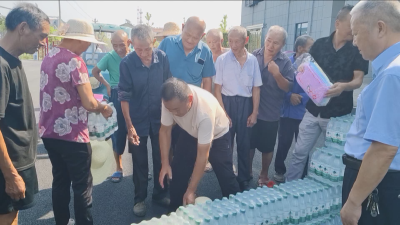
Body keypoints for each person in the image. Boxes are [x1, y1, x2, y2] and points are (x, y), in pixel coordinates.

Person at [39, 19, 113, 225]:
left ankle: (61, 222)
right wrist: (105, 107)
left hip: (49, 131)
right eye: (88, 42)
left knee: (60, 181)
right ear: (79, 40)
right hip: (73, 135)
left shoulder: (49, 56)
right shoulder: (75, 61)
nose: (89, 45)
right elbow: (90, 103)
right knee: (82, 187)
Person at [286, 5, 369, 182]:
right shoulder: (319, 44)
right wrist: (302, 68)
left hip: (337, 115)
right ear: (338, 23)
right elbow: (308, 67)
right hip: (312, 109)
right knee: (299, 152)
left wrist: (342, 87)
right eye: (351, 25)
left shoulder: (357, 49)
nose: (353, 31)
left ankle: (326, 194)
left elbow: (358, 80)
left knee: (333, 160)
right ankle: (289, 187)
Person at [340, 1, 400, 225]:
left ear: (380, 28)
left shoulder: (393, 73)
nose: (354, 42)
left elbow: (384, 147)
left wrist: (354, 202)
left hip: (378, 183)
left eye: (356, 33)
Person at [159, 78, 240, 212]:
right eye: (169, 109)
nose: (172, 113)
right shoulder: (169, 101)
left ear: (189, 99)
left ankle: (238, 212)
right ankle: (175, 212)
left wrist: (191, 190)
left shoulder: (204, 112)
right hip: (190, 131)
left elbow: (202, 156)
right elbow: (165, 131)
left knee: (227, 178)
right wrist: (165, 163)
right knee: (177, 173)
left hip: (218, 134)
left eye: (176, 109)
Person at [0, 3, 49, 225]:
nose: (43, 42)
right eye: (42, 35)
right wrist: (10, 175)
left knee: (13, 215)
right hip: (8, 167)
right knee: (7, 218)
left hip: (17, 164)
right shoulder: (1, 66)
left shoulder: (13, 62)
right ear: (23, 28)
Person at [118, 24, 171, 217]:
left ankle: (161, 193)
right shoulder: (127, 63)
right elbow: (123, 97)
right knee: (140, 162)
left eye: (147, 48)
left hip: (160, 119)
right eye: (137, 49)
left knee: (162, 157)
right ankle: (139, 198)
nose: (142, 53)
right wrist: (129, 126)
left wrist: (171, 116)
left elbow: (168, 87)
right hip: (137, 119)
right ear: (131, 44)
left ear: (153, 42)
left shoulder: (162, 58)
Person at [158, 16, 215, 166]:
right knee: (167, 140)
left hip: (190, 108)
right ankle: (167, 173)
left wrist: (206, 106)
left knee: (187, 146)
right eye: (187, 35)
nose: (190, 40)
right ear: (183, 27)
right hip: (168, 104)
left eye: (195, 38)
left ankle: (185, 178)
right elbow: (156, 71)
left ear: (202, 36)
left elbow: (207, 80)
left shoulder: (205, 52)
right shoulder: (167, 43)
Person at [214, 26, 262, 191]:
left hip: (246, 104)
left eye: (237, 41)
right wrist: (223, 113)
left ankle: (244, 179)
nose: (233, 45)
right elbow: (217, 89)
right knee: (226, 144)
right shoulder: (222, 60)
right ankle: (228, 179)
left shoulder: (253, 60)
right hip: (226, 102)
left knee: (244, 143)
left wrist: (254, 112)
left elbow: (256, 88)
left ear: (246, 40)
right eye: (231, 41)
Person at [249, 26, 295, 187]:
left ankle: (263, 174)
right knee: (249, 144)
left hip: (270, 112)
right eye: (268, 40)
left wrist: (276, 73)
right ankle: (247, 171)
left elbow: (288, 87)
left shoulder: (285, 62)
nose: (270, 45)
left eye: (276, 43)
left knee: (267, 147)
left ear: (282, 44)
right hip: (250, 110)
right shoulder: (253, 55)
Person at [91, 30, 131, 183]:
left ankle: (140, 167)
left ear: (129, 43)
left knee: (135, 130)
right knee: (118, 132)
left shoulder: (134, 55)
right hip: (117, 94)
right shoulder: (109, 57)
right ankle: (119, 168)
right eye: (115, 46)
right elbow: (95, 71)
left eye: (122, 45)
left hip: (134, 96)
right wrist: (107, 85)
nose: (119, 48)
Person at [273, 35, 313, 183]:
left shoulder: (312, 66)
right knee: (283, 143)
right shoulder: (286, 63)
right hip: (286, 112)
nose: (312, 51)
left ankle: (302, 175)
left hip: (302, 112)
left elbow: (315, 87)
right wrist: (289, 95)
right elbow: (278, 84)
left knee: (303, 145)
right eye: (310, 47)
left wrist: (302, 97)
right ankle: (279, 170)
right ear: (300, 48)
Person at [203, 28, 230, 173]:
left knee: (226, 131)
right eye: (209, 42)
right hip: (208, 98)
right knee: (207, 130)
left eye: (215, 42)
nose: (212, 45)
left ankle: (228, 162)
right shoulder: (204, 54)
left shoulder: (228, 54)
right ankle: (207, 160)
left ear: (222, 41)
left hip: (224, 98)